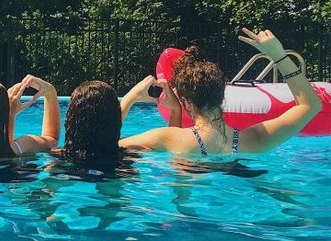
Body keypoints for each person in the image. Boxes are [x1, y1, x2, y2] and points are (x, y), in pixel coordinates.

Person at [119, 28, 322, 154]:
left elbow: (105, 143)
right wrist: (278, 55)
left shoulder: (169, 139)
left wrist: (130, 98)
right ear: (222, 95)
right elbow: (310, 105)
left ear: (186, 103)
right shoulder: (256, 140)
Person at [56, 75, 181, 165]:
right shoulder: (131, 152)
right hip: (116, 173)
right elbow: (171, 141)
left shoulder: (57, 159)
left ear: (70, 118)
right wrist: (176, 110)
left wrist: (131, 97)